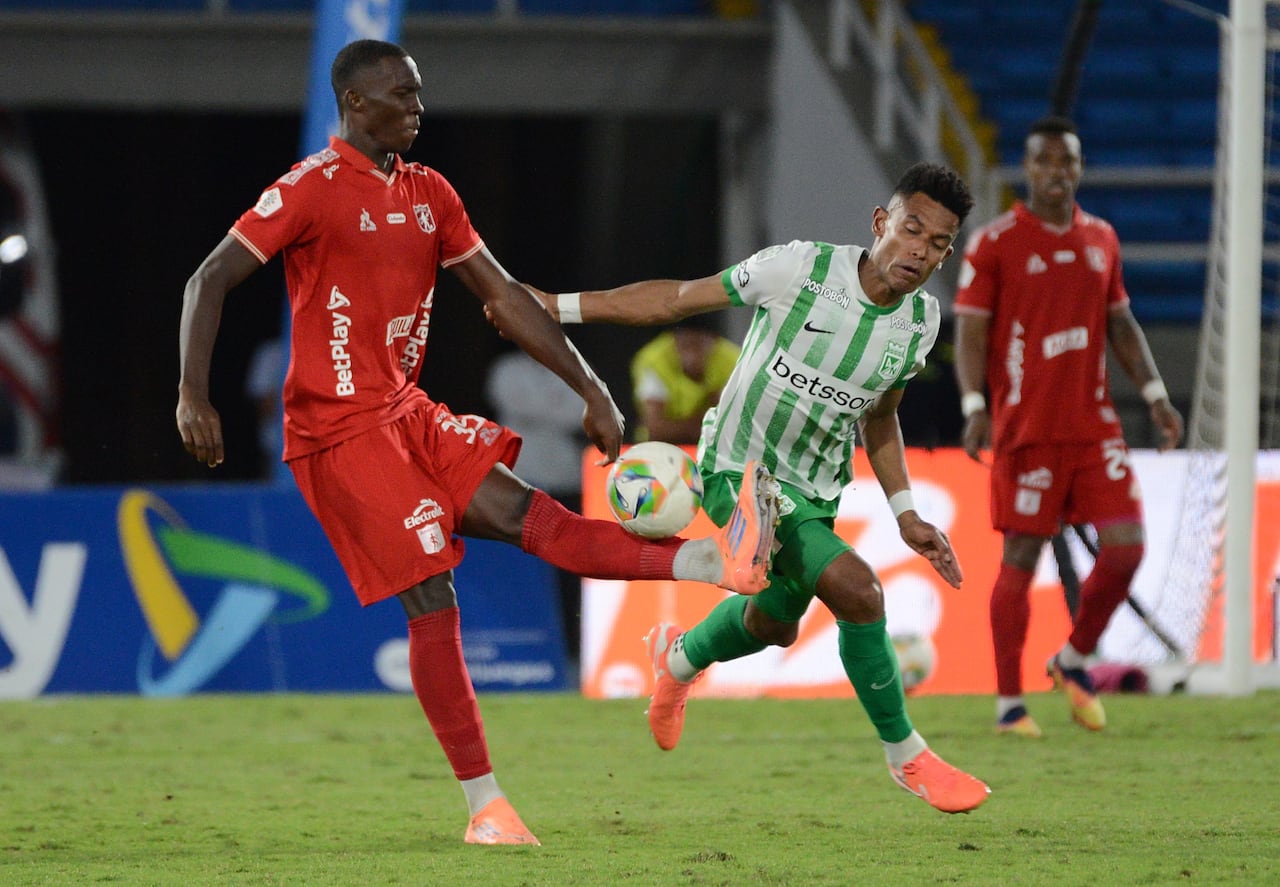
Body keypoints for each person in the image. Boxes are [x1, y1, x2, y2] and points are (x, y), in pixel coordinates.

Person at [174, 39, 778, 846]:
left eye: (419, 92)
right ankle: (485, 806)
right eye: (400, 93)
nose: (417, 106)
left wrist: (591, 387)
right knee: (434, 598)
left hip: (408, 413)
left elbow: (505, 295)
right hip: (337, 433)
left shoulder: (431, 193)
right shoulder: (309, 189)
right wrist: (192, 392)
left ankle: (709, 562)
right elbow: (207, 278)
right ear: (356, 104)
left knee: (541, 521)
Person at [521, 162, 990, 814]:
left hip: (818, 488)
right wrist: (558, 306)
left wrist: (906, 511)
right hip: (735, 469)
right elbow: (677, 299)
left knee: (774, 624)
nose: (922, 250)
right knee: (861, 591)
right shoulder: (800, 270)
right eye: (913, 229)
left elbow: (880, 414)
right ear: (881, 223)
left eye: (940, 242)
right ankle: (906, 753)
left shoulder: (919, 324)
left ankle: (679, 660)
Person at [953, 115, 1184, 738]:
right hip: (1027, 429)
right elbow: (971, 331)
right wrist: (976, 406)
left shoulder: (1101, 238)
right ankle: (1008, 704)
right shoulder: (995, 242)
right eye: (1046, 162)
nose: (1058, 172)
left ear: (1079, 168)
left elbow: (1122, 324)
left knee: (1128, 545)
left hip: (1094, 427)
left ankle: (1075, 656)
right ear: (1027, 169)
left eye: (1068, 162)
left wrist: (1157, 396)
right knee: (1021, 557)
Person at [484, 347, 588, 669]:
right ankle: (525, 644)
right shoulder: (507, 368)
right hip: (522, 478)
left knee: (568, 568)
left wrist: (541, 409)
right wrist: (557, 406)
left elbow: (582, 412)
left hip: (567, 480)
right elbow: (512, 403)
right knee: (523, 565)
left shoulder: (575, 365)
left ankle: (570, 648)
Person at [629, 314, 740, 444]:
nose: (692, 355)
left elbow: (731, 425)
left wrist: (675, 426)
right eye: (685, 345)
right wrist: (706, 421)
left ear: (715, 341)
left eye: (698, 345)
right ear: (674, 340)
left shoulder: (734, 360)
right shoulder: (653, 360)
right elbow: (655, 429)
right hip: (659, 447)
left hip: (713, 449)